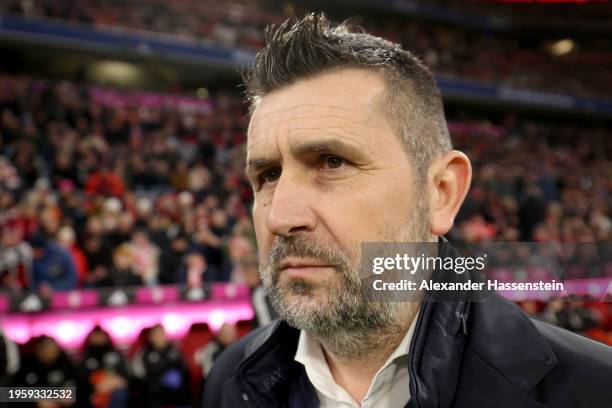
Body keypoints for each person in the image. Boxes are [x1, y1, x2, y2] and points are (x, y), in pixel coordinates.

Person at [202, 13, 612, 408]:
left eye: (332, 162)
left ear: (441, 192)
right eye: (269, 175)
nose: (280, 217)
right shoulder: (230, 380)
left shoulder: (593, 389)